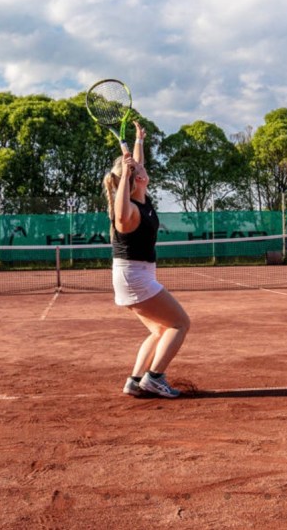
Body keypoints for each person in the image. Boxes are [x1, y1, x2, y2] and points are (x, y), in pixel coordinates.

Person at [106, 122, 191, 399]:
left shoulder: (142, 199)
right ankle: (154, 378)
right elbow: (120, 212)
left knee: (159, 330)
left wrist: (139, 141)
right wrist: (126, 175)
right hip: (135, 277)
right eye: (138, 170)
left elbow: (138, 165)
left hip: (134, 276)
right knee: (180, 323)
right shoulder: (128, 211)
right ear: (134, 179)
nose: (143, 169)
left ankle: (135, 380)